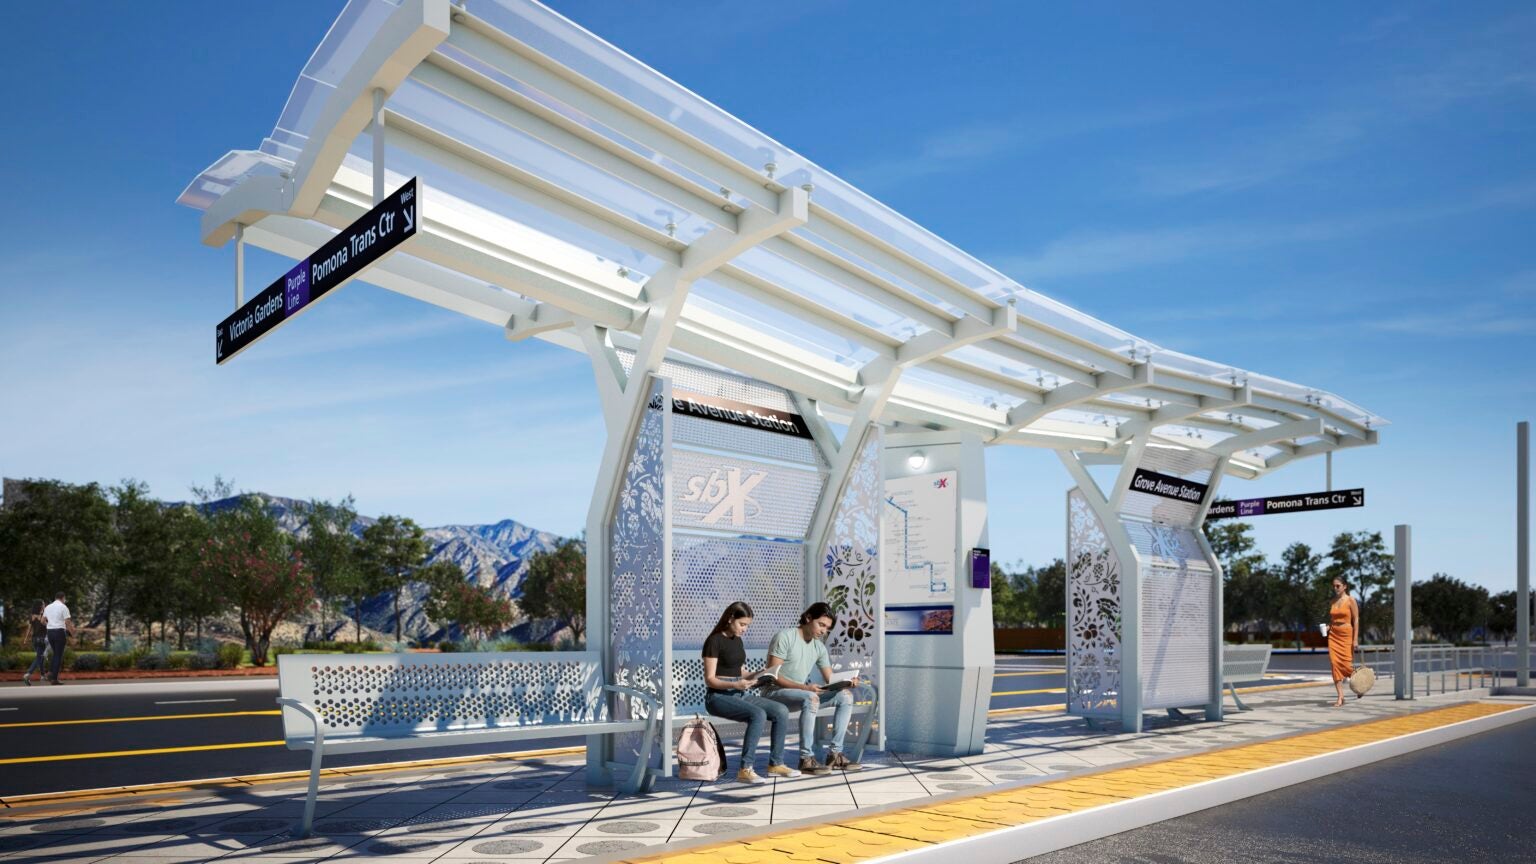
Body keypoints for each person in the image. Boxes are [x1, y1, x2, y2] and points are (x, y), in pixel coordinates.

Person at [702, 601, 799, 783]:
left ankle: (776, 764)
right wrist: (735, 685)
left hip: (739, 693)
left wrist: (760, 674)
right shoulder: (714, 641)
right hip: (718, 697)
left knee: (781, 711)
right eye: (742, 624)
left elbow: (742, 673)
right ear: (731, 619)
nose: (745, 629)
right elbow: (710, 679)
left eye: (747, 625)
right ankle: (745, 769)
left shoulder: (737, 640)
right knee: (758, 714)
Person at [763, 602, 860, 773]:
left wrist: (846, 681)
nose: (823, 631)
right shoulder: (785, 637)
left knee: (845, 696)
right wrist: (805, 688)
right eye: (821, 624)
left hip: (800, 695)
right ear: (808, 618)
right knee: (811, 697)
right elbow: (773, 676)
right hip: (773, 694)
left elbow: (830, 679)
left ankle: (835, 755)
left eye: (827, 628)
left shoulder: (818, 647)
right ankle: (806, 759)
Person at [1327, 577, 1359, 708]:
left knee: (1346, 665)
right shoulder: (1333, 601)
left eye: (1338, 586)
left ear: (1345, 586)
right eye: (1334, 586)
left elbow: (1356, 619)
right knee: (1334, 664)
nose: (1335, 588)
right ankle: (1340, 697)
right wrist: (1328, 627)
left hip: (1346, 634)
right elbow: (1332, 619)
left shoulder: (1351, 600)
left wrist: (1355, 639)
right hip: (1333, 635)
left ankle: (1361, 683)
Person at [42, 592, 73, 685]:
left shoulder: (48, 607)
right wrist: (72, 633)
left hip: (50, 632)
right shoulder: (63, 607)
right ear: (63, 598)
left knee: (56, 654)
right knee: (58, 655)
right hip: (59, 632)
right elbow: (67, 621)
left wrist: (50, 625)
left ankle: (50, 673)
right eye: (65, 599)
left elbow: (42, 621)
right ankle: (54, 679)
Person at [22, 601, 48, 686]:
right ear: (41, 607)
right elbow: (48, 626)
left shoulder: (32, 616)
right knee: (39, 657)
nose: (45, 606)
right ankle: (28, 674)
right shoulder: (43, 616)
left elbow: (29, 629)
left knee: (40, 657)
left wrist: (26, 639)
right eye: (44, 605)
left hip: (34, 640)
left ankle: (43, 675)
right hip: (42, 640)